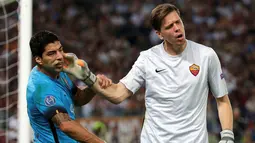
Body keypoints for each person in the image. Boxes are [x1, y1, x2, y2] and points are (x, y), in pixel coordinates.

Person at [64, 3, 234, 143]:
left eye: (178, 22)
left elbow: (222, 100)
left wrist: (227, 134)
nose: (177, 28)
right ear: (159, 34)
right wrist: (87, 76)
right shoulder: (147, 59)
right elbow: (118, 94)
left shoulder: (206, 55)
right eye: (169, 26)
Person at [26, 30, 111, 143]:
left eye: (60, 50)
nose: (60, 56)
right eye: (52, 53)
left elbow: (78, 98)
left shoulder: (58, 72)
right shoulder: (41, 87)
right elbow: (65, 125)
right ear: (38, 59)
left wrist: (92, 83)